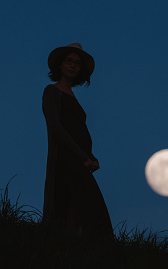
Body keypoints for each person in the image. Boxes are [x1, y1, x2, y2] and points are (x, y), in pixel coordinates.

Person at [42, 42, 113, 241]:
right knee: (71, 204)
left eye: (77, 63)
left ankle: (88, 251)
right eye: (69, 61)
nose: (73, 66)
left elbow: (78, 130)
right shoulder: (52, 92)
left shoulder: (73, 97)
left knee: (87, 206)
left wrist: (90, 156)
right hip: (66, 159)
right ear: (61, 65)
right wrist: (83, 156)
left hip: (80, 160)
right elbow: (57, 129)